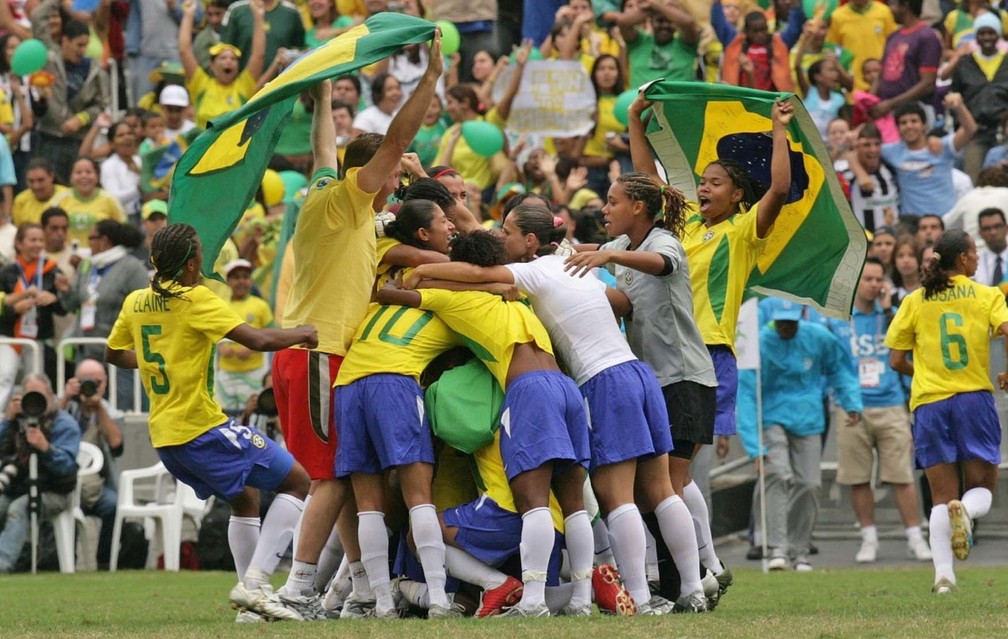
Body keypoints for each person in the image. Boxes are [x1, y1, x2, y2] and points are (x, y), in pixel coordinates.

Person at [409, 201, 717, 613]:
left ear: (531, 241)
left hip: (601, 380)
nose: (503, 239)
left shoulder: (535, 270)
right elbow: (622, 303)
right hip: (637, 372)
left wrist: (423, 271)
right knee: (662, 490)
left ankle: (640, 600)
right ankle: (694, 588)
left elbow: (478, 271)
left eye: (509, 232)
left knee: (615, 496)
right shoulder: (575, 265)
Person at [270, 36, 443, 618]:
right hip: (319, 351)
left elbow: (323, 151)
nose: (395, 183)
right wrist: (431, 76)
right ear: (366, 174)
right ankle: (295, 588)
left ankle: (360, 592)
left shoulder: (327, 196)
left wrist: (321, 95)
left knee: (339, 473)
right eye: (388, 175)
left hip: (310, 353)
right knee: (330, 479)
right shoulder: (346, 202)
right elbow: (396, 141)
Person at [105, 223, 317, 620]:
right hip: (201, 428)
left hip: (167, 438)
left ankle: (250, 609)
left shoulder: (136, 301)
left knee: (245, 497)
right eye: (201, 253)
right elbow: (256, 340)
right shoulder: (196, 298)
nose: (205, 260)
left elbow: (114, 353)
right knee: (298, 481)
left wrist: (156, 362)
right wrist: (303, 333)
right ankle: (255, 583)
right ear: (189, 266)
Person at [381, 230, 592, 618]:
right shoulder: (514, 294)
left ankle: (530, 601)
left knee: (532, 502)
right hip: (566, 388)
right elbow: (488, 278)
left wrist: (408, 277)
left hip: (529, 390)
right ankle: (582, 598)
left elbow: (397, 293)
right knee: (573, 503)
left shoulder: (454, 298)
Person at [332, 199, 462, 619]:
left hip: (349, 382)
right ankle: (440, 598)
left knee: (368, 501)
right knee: (417, 495)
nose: (452, 227)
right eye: (445, 221)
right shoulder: (452, 286)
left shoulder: (381, 264)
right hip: (395, 379)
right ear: (423, 233)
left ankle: (383, 603)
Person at [885, 229, 1008, 594]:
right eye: (974, 253)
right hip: (972, 399)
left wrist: (923, 371)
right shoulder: (986, 295)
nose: (976, 259)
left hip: (929, 404)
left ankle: (943, 577)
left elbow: (895, 360)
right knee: (983, 485)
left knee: (940, 496)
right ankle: (966, 514)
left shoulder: (915, 300)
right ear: (964, 259)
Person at [738, 300, 862, 571]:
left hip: (809, 419)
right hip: (771, 418)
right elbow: (746, 394)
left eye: (791, 321)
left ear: (801, 316)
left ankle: (800, 549)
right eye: (781, 321)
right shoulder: (759, 343)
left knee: (809, 484)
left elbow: (841, 368)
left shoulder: (818, 337)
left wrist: (851, 400)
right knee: (778, 475)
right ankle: (776, 549)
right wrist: (754, 446)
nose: (785, 326)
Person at [827, 258, 932, 564]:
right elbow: (833, 363)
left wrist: (888, 310)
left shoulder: (893, 316)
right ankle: (868, 538)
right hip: (852, 406)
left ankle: (915, 537)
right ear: (856, 282)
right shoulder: (840, 319)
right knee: (858, 477)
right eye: (868, 279)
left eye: (878, 280)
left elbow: (905, 348)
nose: (874, 285)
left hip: (890, 403)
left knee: (902, 475)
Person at [56, 220, 149, 410]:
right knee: (85, 403)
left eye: (91, 238)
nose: (88, 243)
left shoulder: (132, 267)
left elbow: (144, 308)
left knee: (124, 405)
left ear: (105, 240)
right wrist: (65, 291)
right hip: (88, 349)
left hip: (119, 353)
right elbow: (73, 304)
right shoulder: (87, 266)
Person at [0, 375, 80, 573]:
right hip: (18, 487)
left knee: (19, 509)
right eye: (30, 396)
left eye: (40, 396)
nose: (35, 403)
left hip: (55, 493)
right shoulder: (17, 420)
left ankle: (2, 566)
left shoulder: (64, 424)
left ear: (51, 396)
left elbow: (67, 468)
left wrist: (46, 448)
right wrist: (7, 420)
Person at [60, 359, 123, 571]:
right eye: (85, 381)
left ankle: (104, 563)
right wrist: (66, 397)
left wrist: (98, 407)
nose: (91, 386)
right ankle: (65, 563)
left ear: (105, 383)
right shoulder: (64, 407)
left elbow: (117, 445)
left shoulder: (110, 412)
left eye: (97, 381)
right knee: (61, 507)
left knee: (114, 505)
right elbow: (46, 431)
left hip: (96, 487)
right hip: (62, 483)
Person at [33, 19, 110, 183]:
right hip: (49, 137)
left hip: (78, 141)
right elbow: (38, 18)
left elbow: (102, 104)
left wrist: (81, 119)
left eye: (85, 45)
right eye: (79, 45)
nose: (83, 50)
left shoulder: (95, 70)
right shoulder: (48, 62)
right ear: (65, 41)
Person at [876, 97, 976, 220]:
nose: (909, 126)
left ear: (924, 125)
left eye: (914, 121)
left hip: (946, 220)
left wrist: (959, 105)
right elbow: (857, 150)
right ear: (898, 128)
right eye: (903, 122)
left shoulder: (942, 146)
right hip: (912, 224)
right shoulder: (892, 151)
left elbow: (970, 129)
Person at [0, 223, 68, 391]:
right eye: (33, 240)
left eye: (41, 240)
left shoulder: (52, 270)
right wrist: (15, 309)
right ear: (19, 243)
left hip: (38, 336)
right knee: (5, 377)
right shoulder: (6, 272)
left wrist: (55, 298)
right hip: (10, 336)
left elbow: (63, 309)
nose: (38, 244)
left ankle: (38, 415)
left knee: (36, 380)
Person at [179, 0, 265, 130]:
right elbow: (184, 51)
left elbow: (258, 55)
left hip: (233, 147)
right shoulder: (201, 83)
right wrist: (188, 15)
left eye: (233, 59)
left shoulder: (244, 85)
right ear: (212, 66)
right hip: (206, 148)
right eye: (223, 58)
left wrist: (258, 17)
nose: (228, 61)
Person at [217, 259, 273, 416]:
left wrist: (253, 349)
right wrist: (220, 345)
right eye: (236, 277)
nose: (241, 281)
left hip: (254, 374)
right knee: (226, 416)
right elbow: (213, 333)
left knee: (252, 414)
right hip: (226, 375)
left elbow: (271, 334)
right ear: (228, 281)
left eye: (245, 277)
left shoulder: (261, 306)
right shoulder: (220, 305)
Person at [869, 0, 941, 122]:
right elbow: (881, 75)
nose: (889, 9)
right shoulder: (893, 36)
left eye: (893, 4)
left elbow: (928, 83)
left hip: (914, 114)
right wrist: (870, 100)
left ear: (905, 6)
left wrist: (891, 104)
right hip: (887, 114)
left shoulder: (926, 36)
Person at [616, 0, 699, 88]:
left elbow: (688, 23)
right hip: (641, 99)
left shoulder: (686, 45)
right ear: (651, 22)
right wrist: (660, 7)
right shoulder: (638, 42)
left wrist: (656, 6)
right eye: (660, 21)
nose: (665, 25)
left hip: (676, 99)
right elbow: (623, 23)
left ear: (676, 24)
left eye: (669, 22)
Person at [839, 124, 899, 234]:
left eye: (877, 144)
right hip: (860, 243)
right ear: (856, 147)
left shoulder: (891, 169)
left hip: (891, 240)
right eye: (867, 145)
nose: (873, 149)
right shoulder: (845, 175)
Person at [59, 157, 126, 246]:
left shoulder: (109, 199)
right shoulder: (61, 199)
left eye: (88, 172)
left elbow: (123, 229)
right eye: (78, 172)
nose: (84, 176)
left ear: (97, 176)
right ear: (71, 177)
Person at [12, 158, 70, 227]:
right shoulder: (20, 201)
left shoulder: (68, 196)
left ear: (51, 176)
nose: (36, 186)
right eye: (31, 181)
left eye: (41, 180)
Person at [973, 208, 1008, 287]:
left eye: (997, 226)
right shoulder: (975, 264)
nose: (993, 232)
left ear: (1006, 228)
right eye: (987, 228)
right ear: (980, 233)